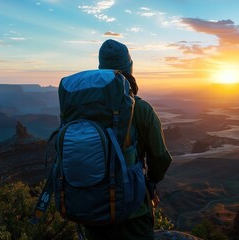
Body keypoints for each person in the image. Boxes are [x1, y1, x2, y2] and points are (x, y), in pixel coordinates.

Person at [83, 39, 172, 239]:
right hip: (133, 210)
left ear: (100, 69)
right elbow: (160, 157)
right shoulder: (141, 109)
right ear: (130, 69)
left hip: (93, 207)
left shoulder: (84, 109)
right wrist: (150, 183)